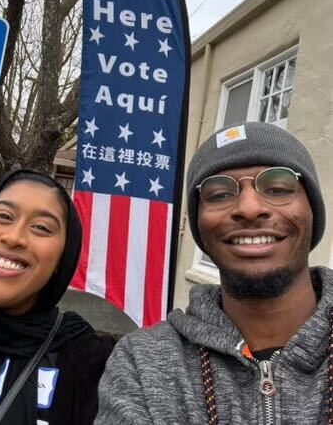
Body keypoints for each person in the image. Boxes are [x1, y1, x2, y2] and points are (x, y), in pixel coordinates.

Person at [95, 121, 332, 424]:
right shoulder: (143, 361)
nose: (249, 208)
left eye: (278, 188)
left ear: (312, 210)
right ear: (199, 226)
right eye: (219, 194)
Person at [0, 169, 114, 425]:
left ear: (63, 258)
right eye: (3, 216)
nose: (14, 238)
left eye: (41, 228)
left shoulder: (88, 364)